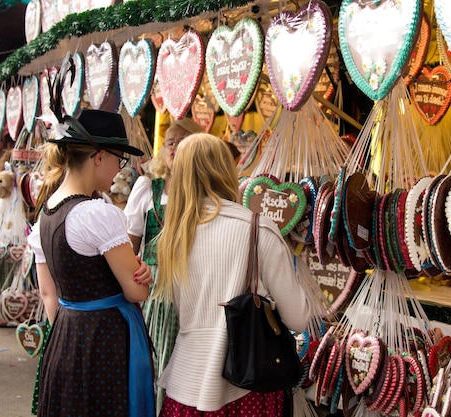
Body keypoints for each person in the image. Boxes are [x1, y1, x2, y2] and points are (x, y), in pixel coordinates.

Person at [154, 133, 310, 416]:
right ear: (227, 170)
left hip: (184, 385)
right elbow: (298, 318)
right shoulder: (257, 230)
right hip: (246, 388)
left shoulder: (173, 237)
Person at [27, 109, 156, 417]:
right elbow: (136, 293)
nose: (119, 170)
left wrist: (72, 331)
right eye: (118, 159)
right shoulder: (97, 213)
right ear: (99, 156)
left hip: (65, 336)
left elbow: (49, 295)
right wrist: (143, 278)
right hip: (106, 339)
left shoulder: (47, 212)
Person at [123, 117, 203, 411]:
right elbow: (129, 246)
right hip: (155, 285)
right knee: (155, 353)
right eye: (170, 142)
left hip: (194, 282)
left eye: (183, 142)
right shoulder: (147, 188)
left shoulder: (204, 192)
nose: (175, 148)